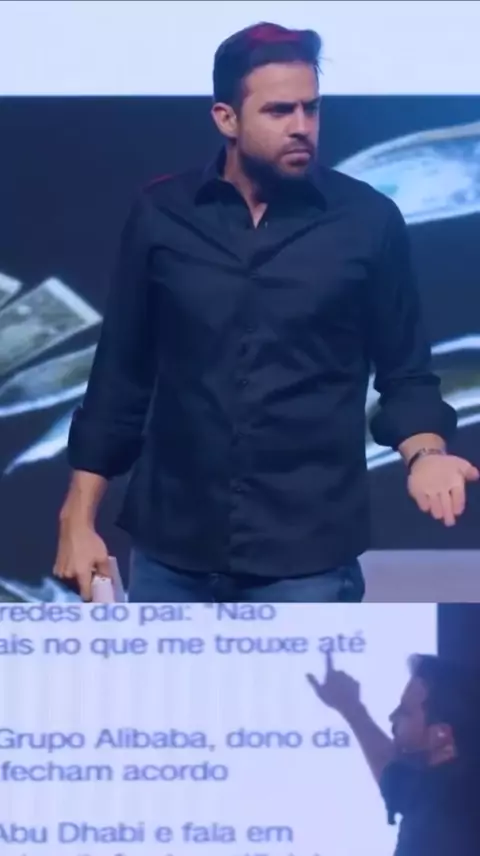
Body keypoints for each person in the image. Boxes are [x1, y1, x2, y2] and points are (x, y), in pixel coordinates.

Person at [54, 22, 478, 602]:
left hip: (308, 559)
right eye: (279, 111)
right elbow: (119, 377)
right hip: (171, 551)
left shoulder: (367, 221)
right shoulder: (163, 214)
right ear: (226, 118)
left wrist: (426, 454)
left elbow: (406, 373)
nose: (302, 126)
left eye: (311, 108)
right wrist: (77, 518)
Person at [307, 653, 480, 855]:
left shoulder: (440, 821)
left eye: (405, 712)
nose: (392, 716)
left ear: (441, 733)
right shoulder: (439, 789)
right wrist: (351, 708)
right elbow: (391, 770)